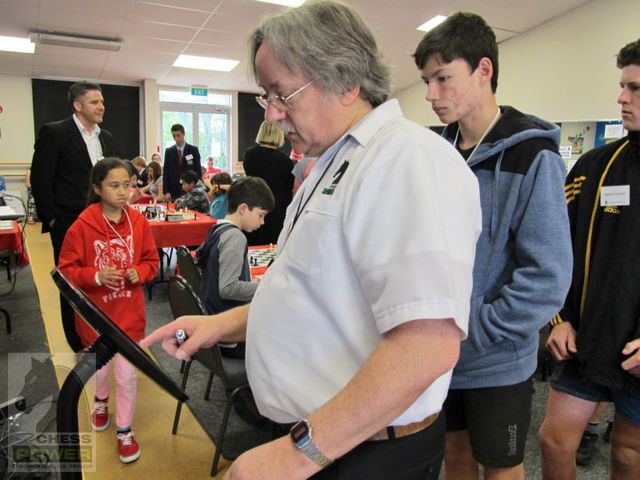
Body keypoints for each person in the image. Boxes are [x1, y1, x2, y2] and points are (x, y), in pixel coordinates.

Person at [142, 2, 481, 479]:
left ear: (345, 80)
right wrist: (223, 325)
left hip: (361, 448)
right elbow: (307, 293)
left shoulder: (407, 161)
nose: (274, 113)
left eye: (283, 94)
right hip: (326, 436)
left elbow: (427, 344)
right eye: (266, 96)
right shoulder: (332, 162)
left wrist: (299, 453)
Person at [413, 12, 572, 480]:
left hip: (495, 356)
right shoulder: (434, 153)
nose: (430, 95)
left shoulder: (533, 155)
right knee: (454, 459)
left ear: (484, 70)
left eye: (443, 78)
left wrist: (477, 328)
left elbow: (548, 276)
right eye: (426, 81)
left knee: (501, 467)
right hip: (436, 350)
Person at [538, 38, 640, 480]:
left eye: (635, 88)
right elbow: (556, 248)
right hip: (589, 338)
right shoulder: (595, 167)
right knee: (554, 440)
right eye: (622, 86)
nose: (621, 98)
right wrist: (559, 319)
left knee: (627, 453)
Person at [58, 158, 159, 463]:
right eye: (114, 186)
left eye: (127, 185)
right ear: (97, 188)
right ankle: (100, 401)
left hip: (129, 315)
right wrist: (96, 276)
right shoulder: (82, 227)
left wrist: (139, 273)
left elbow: (152, 262)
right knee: (100, 369)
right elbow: (65, 272)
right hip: (96, 317)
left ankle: (124, 430)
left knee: (127, 375)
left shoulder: (138, 222)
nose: (123, 192)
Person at [30, 81, 114, 352]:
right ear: (78, 105)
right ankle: (76, 341)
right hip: (67, 222)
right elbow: (41, 179)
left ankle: (99, 332)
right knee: (71, 282)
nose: (101, 106)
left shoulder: (106, 138)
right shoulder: (55, 133)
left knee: (99, 278)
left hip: (101, 223)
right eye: (94, 102)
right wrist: (52, 219)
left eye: (102, 101)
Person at [196, 176, 274, 358]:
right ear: (243, 209)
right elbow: (228, 288)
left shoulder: (217, 229)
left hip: (213, 324)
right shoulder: (235, 237)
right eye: (261, 215)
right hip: (228, 337)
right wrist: (262, 286)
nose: (262, 222)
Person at [243, 121, 294, 245]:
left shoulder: (250, 155)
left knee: (252, 244)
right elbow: (290, 187)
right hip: (277, 211)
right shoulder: (285, 161)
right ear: (279, 134)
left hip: (253, 206)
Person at [162, 124, 201, 201]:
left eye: (178, 135)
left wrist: (196, 188)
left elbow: (198, 171)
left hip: (189, 188)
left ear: (183, 134)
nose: (176, 138)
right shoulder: (169, 151)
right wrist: (166, 191)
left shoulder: (193, 150)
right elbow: (165, 172)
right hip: (173, 189)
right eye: (174, 136)